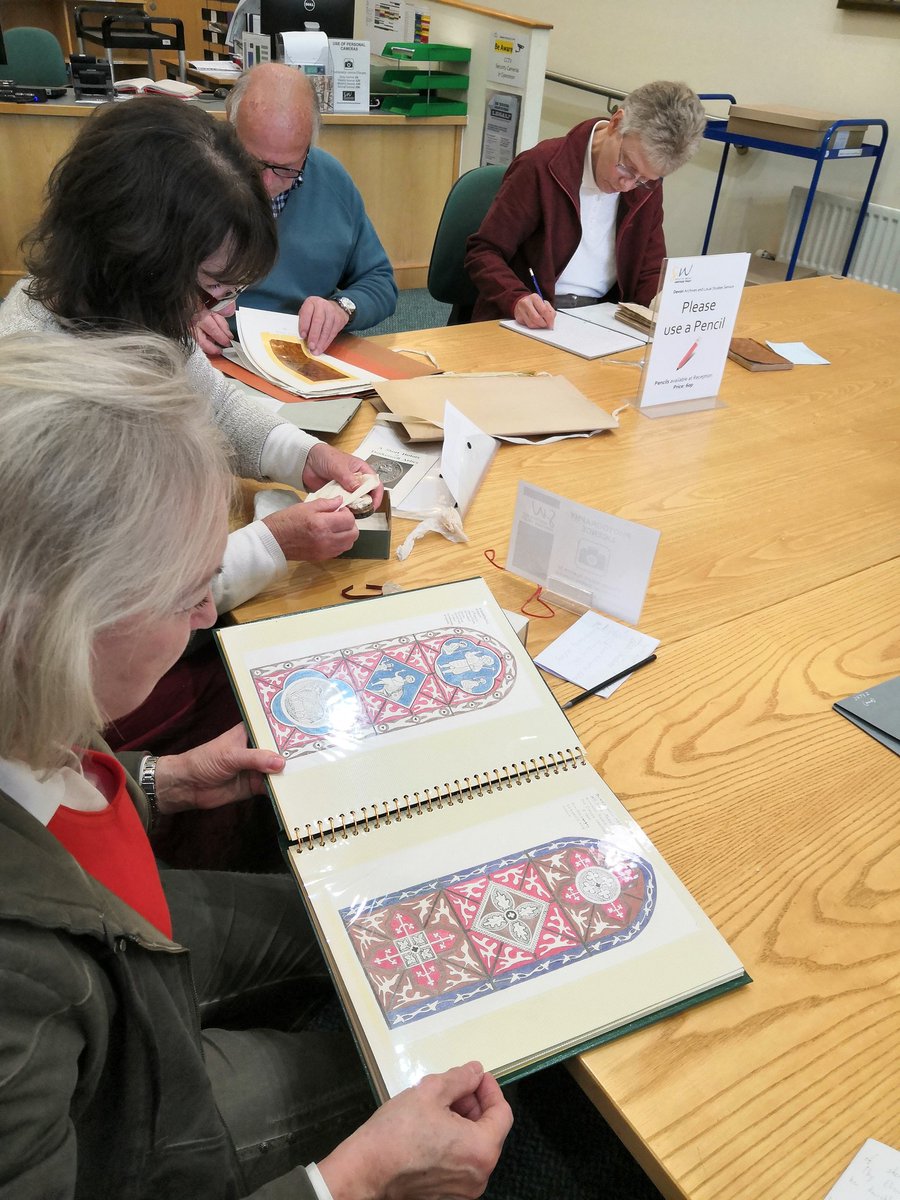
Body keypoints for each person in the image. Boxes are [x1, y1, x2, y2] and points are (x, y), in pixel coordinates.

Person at [0, 330, 513, 1199]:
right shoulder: (18, 1002)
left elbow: (38, 792)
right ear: (62, 624)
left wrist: (158, 782)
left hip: (130, 930)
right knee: (455, 1047)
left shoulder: (26, 693)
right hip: (138, 1124)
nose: (208, 613)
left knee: (370, 919)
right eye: (185, 591)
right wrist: (353, 1178)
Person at [0, 95, 381, 617]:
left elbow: (215, 403)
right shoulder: (52, 403)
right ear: (136, 263)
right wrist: (271, 546)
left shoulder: (125, 312)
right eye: (212, 291)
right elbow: (129, 605)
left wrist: (306, 456)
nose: (215, 311)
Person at [193, 63, 398, 358]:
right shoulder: (189, 177)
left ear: (307, 149)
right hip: (209, 356)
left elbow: (380, 282)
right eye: (253, 162)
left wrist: (341, 309)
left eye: (286, 169)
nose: (265, 183)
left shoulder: (331, 180)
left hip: (297, 355)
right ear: (230, 128)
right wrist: (180, 313)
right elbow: (134, 280)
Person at [465, 80, 708, 327]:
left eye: (644, 179)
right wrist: (517, 298)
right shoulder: (541, 166)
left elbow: (649, 271)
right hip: (536, 319)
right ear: (616, 123)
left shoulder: (646, 189)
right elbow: (484, 252)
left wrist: (666, 305)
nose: (627, 185)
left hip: (605, 319)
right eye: (627, 167)